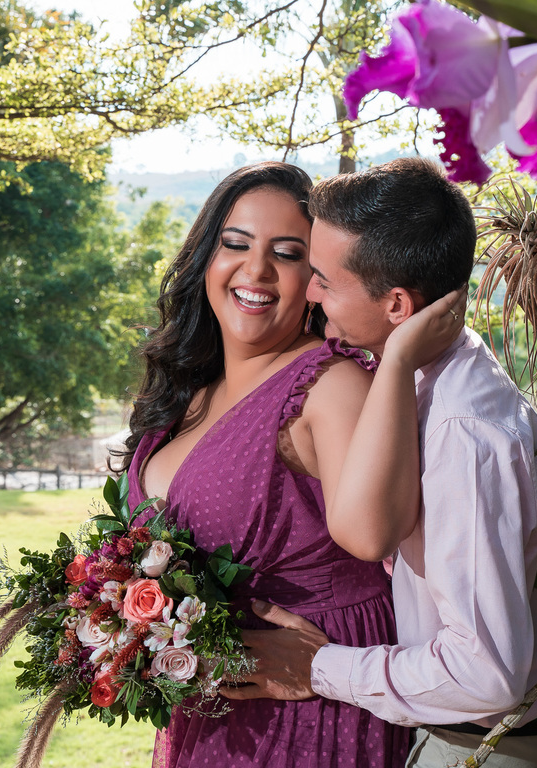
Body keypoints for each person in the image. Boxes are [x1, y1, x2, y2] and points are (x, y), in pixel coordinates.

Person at [221, 158, 537, 768]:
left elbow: (485, 675)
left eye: (324, 280)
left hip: (480, 747)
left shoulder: (463, 433)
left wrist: (318, 667)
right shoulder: (423, 375)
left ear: (397, 305)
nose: (309, 293)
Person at [116, 161, 462, 768]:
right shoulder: (192, 389)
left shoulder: (331, 384)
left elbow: (374, 534)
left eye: (287, 253)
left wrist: (400, 358)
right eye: (235, 244)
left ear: (316, 279)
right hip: (213, 701)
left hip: (306, 698)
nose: (256, 270)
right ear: (206, 257)